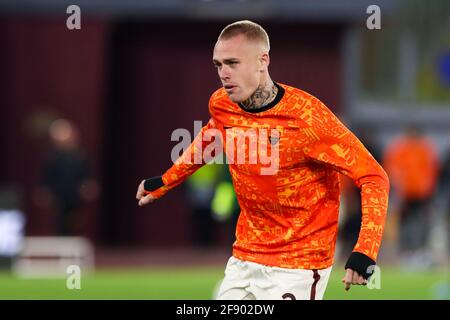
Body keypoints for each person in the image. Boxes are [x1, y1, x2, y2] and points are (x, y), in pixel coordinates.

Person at [136, 20, 389, 300]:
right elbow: (211, 138)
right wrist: (166, 180)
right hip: (246, 256)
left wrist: (365, 249)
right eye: (218, 65)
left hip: (299, 263)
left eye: (233, 63)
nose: (224, 74)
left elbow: (374, 177)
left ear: (262, 61)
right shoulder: (222, 104)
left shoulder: (307, 117)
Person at [383, 124, 439, 267]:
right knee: (403, 223)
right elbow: (392, 168)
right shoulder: (400, 148)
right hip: (404, 194)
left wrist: (427, 188)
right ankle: (405, 252)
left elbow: (431, 170)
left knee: (422, 222)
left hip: (421, 194)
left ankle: (421, 251)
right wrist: (399, 185)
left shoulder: (425, 149)